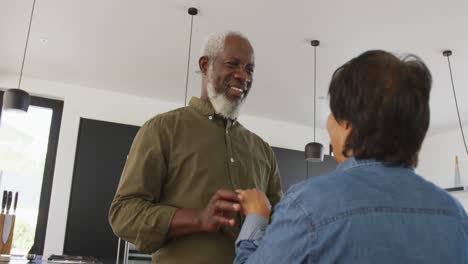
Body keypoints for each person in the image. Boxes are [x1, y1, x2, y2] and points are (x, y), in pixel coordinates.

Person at [234, 50, 468, 263]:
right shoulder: (456, 216)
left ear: (348, 124)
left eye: (333, 113)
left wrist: (256, 217)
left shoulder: (307, 207)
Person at [108, 31, 282, 263]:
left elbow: (282, 226)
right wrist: (198, 218)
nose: (243, 76)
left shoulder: (263, 151)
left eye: (250, 69)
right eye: (233, 64)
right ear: (205, 65)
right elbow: (123, 214)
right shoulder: (162, 130)